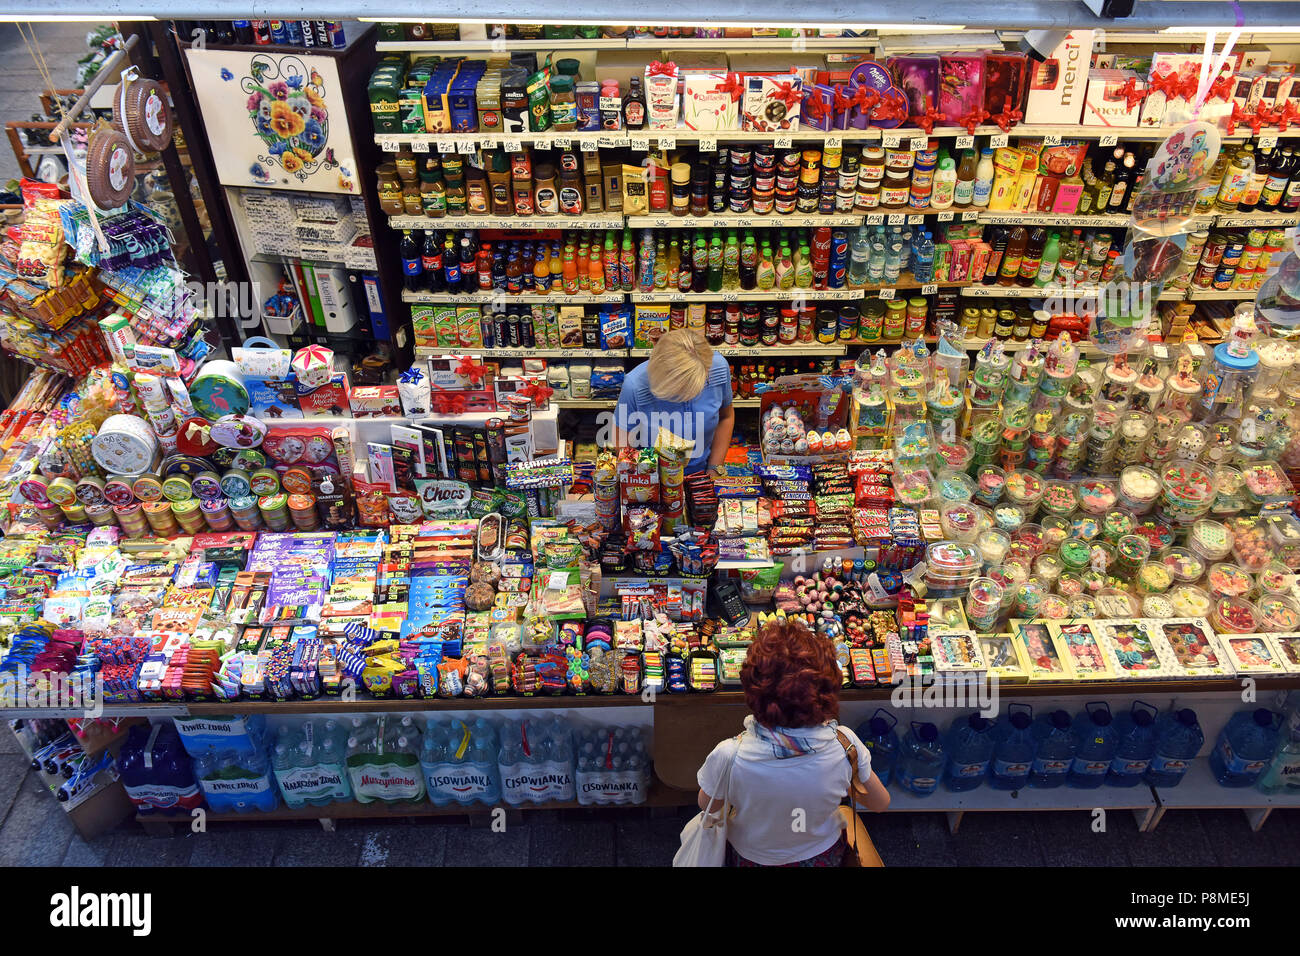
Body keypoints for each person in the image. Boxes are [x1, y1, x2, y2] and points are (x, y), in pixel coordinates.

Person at [695, 618, 890, 867]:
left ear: (753, 691)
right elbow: (880, 803)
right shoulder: (845, 745)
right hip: (823, 856)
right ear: (828, 690)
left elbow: (707, 804)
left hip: (752, 857)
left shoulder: (729, 755)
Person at [614, 329, 734, 474]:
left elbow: (726, 417)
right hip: (653, 477)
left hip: (702, 475)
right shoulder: (635, 384)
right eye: (680, 391)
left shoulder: (718, 368)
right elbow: (621, 441)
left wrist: (715, 467)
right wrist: (643, 480)